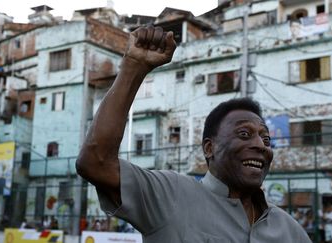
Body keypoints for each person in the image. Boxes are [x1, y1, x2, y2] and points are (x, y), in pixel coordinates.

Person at [76, 25, 311, 242]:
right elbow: (95, 163)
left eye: (266, 138)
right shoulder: (172, 195)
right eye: (244, 134)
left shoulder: (290, 231)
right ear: (209, 148)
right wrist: (134, 67)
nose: (261, 144)